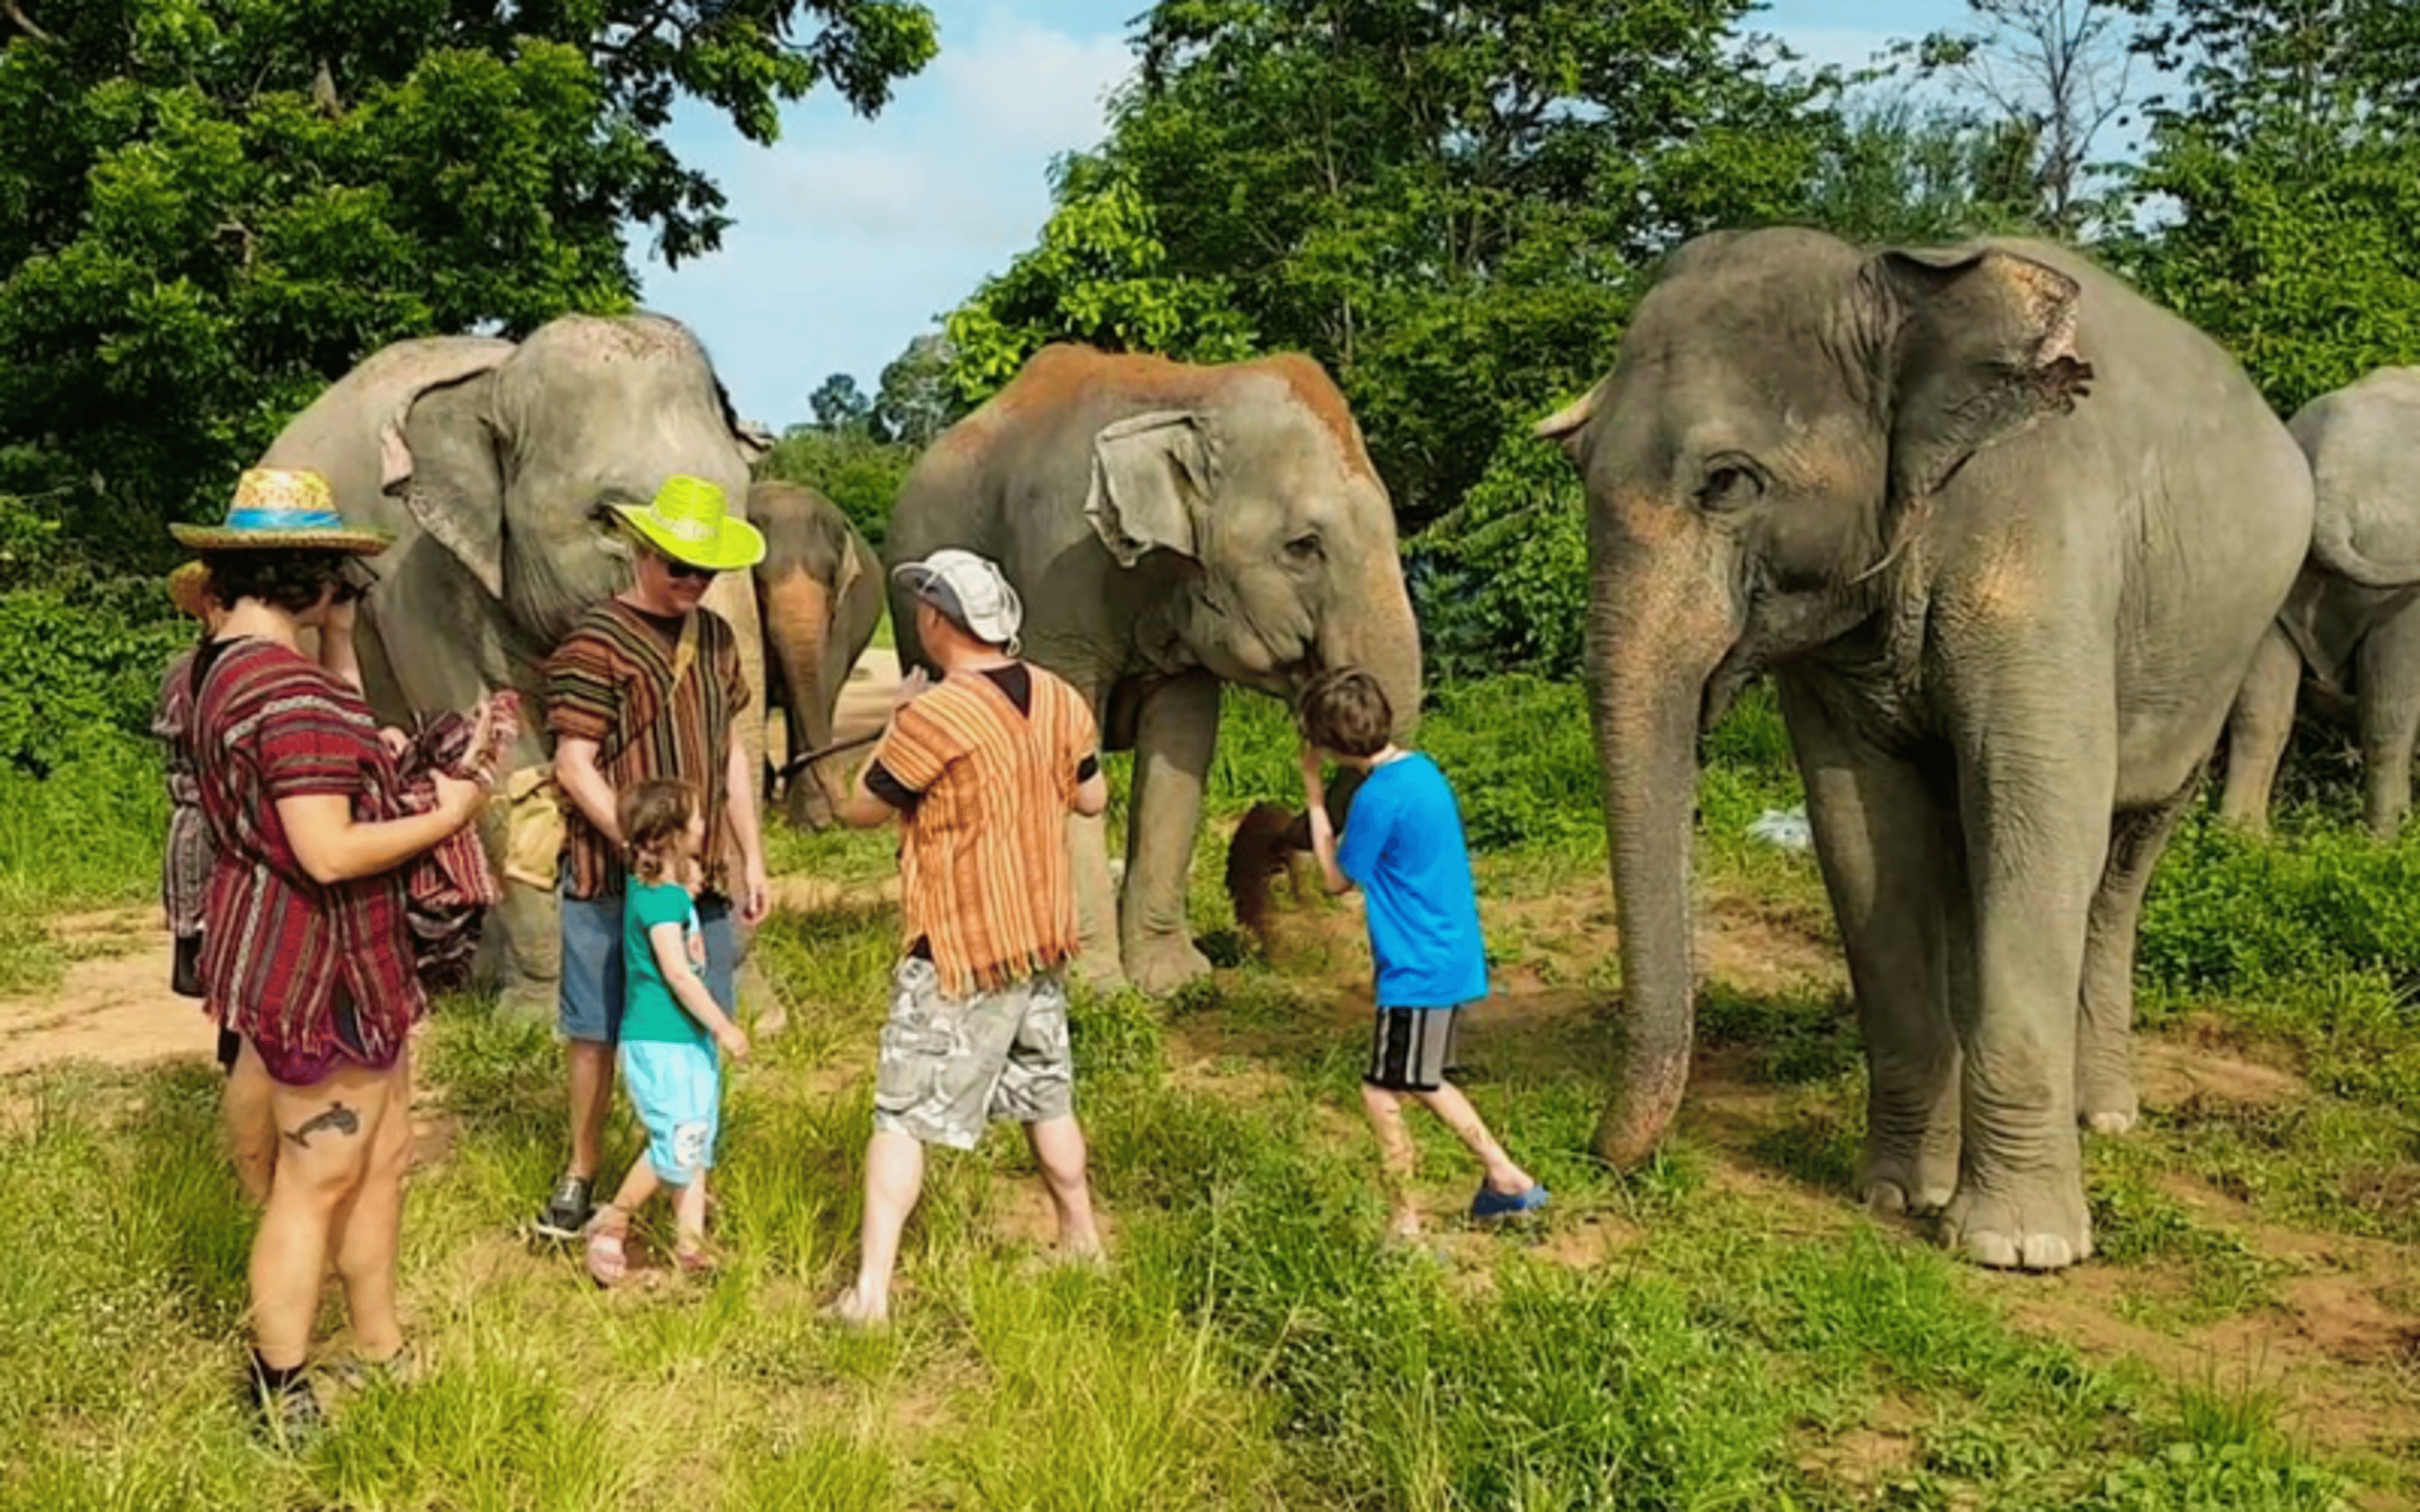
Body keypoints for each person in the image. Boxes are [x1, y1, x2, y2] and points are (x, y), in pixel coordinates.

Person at [176, 468, 496, 1439]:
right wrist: (456, 809)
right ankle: (280, 1391)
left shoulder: (217, 671)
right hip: (326, 965)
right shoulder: (292, 695)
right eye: (341, 585)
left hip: (274, 944)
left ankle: (380, 1344)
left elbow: (335, 745)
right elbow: (329, 845)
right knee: (318, 1180)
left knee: (384, 1155)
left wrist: (340, 642)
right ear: (317, 577)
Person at [826, 548, 1108, 1329]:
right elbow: (1092, 797)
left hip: (956, 946)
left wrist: (891, 724)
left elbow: (862, 808)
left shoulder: (935, 714)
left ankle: (871, 1294)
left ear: (933, 618)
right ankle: (1082, 1240)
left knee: (901, 1114)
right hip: (1040, 941)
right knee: (1047, 1094)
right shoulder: (1058, 698)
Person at [534, 475, 771, 1242]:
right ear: (643, 552)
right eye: (678, 568)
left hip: (703, 883)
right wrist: (644, 854)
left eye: (705, 572)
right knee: (598, 1028)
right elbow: (575, 763)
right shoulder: (595, 642)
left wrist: (751, 855)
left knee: (696, 1030)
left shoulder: (716, 640)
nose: (692, 584)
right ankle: (581, 1173)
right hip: (612, 879)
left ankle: (680, 1182)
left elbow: (730, 748)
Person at [1293, 666, 1547, 1243]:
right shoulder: (1424, 772)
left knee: (1382, 1090)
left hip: (1416, 967)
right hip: (1449, 955)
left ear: (1329, 744)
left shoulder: (1377, 798)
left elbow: (1335, 881)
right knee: (1423, 1080)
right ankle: (1506, 1178)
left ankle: (1405, 1221)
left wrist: (1313, 797)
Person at [583, 778, 751, 1286]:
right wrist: (722, 1025)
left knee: (693, 1138)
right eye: (696, 818)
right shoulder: (660, 904)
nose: (704, 824)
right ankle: (613, 1220)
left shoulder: (660, 891)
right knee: (677, 1139)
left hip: (684, 1038)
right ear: (672, 834)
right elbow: (677, 972)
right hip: (662, 1038)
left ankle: (689, 1244)